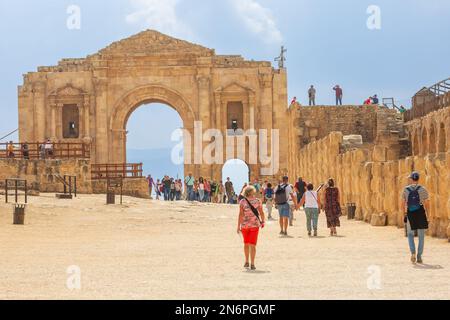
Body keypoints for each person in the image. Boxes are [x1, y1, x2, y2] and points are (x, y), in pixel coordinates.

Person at [402, 172, 430, 264]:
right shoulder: (423, 189)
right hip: (420, 213)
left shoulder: (406, 190)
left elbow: (403, 203)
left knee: (410, 234)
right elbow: (427, 204)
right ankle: (419, 256)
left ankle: (413, 252)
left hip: (410, 213)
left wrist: (405, 214)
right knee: (421, 235)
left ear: (411, 179)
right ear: (418, 179)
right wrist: (428, 215)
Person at [237, 186, 266, 271]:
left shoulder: (242, 201)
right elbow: (261, 212)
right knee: (252, 245)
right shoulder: (257, 201)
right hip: (254, 225)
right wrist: (263, 221)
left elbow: (241, 215)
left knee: (246, 244)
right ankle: (252, 263)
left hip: (245, 226)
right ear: (252, 192)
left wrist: (238, 226)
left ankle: (246, 261)